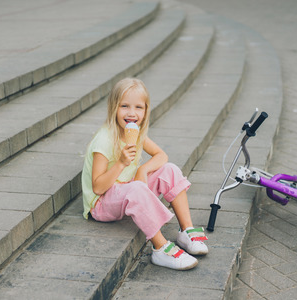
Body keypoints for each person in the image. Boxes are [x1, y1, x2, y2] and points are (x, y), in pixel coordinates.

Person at [82, 77, 208, 270]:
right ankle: (160, 248)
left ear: (146, 110)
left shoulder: (136, 133)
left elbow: (161, 155)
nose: (132, 113)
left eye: (138, 107)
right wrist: (122, 163)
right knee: (136, 189)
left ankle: (186, 230)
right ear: (113, 108)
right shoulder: (104, 140)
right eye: (124, 106)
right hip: (101, 204)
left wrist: (143, 169)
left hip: (125, 188)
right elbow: (98, 187)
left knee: (170, 170)